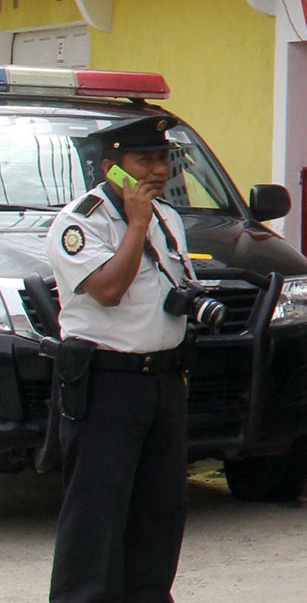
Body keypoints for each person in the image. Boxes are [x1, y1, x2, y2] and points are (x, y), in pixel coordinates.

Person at [45, 115, 194, 602]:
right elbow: (109, 290)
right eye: (143, 161)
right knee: (96, 514)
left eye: (161, 159)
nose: (156, 170)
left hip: (162, 380)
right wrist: (135, 224)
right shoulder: (79, 222)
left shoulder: (168, 217)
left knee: (159, 508)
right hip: (106, 381)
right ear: (112, 168)